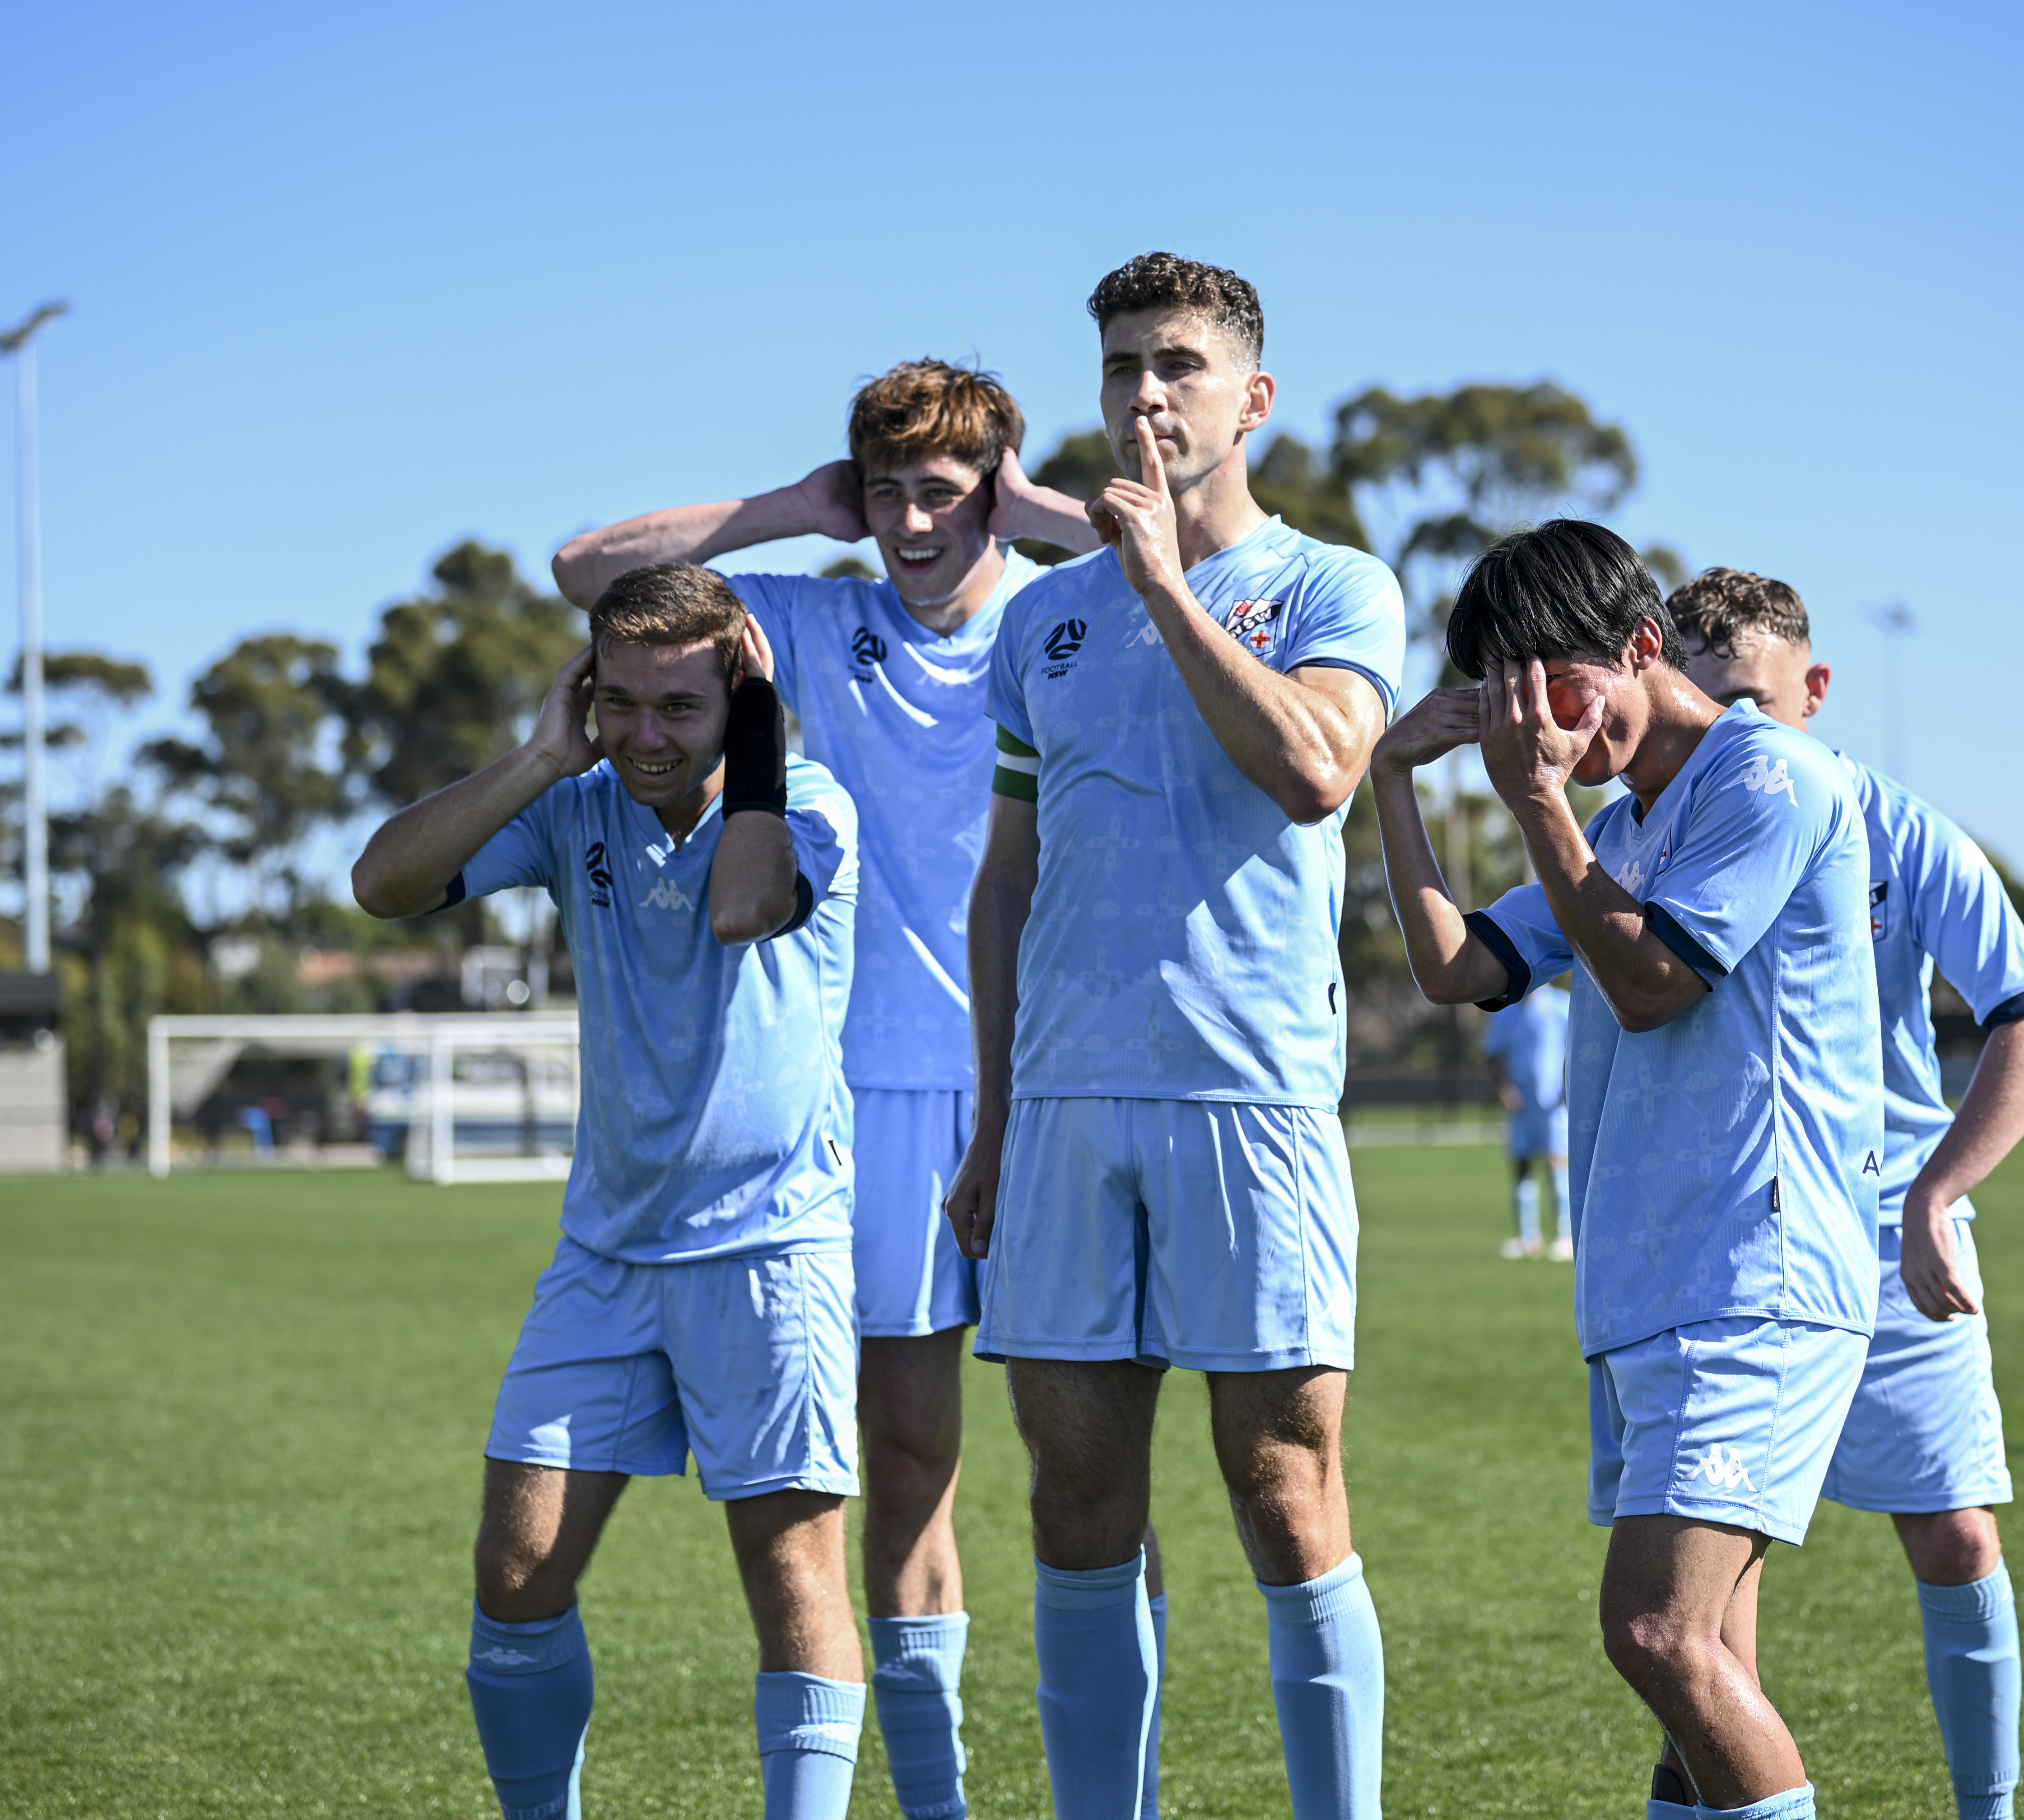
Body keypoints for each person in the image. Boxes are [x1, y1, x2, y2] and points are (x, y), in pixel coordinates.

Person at [551, 362, 1107, 1820]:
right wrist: (791, 511)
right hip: (869, 1101)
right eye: (885, 493)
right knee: (907, 1460)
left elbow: (1164, 563)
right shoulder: (806, 614)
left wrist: (1032, 508)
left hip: (1049, 1086)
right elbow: (584, 574)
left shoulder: (1059, 616)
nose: (910, 523)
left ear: (993, 490)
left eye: (942, 493)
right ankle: (938, 1806)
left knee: (1085, 1469)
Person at [945, 252, 1405, 1820]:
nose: (1145, 394)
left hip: (1248, 1100)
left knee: (1283, 1493)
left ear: (1250, 398)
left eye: (1179, 365)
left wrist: (1160, 587)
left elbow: (1314, 772)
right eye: (1123, 367)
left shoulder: (1334, 587)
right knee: (1073, 1505)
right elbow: (1002, 888)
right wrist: (993, 1123)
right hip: (1065, 1113)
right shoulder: (1038, 627)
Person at [1370, 521, 1881, 1820]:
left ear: (1646, 648)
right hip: (1654, 1284)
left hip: (1755, 1275)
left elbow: (1653, 985)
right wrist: (1392, 778)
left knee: (1658, 1636)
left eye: (1562, 685)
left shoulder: (1769, 783)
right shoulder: (1623, 820)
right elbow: (1458, 970)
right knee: (1701, 1669)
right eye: (1507, 700)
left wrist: (1536, 800)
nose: (1537, 725)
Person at [351, 564, 867, 1820]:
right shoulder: (574, 803)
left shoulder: (809, 804)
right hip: (608, 1257)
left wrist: (753, 735)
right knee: (518, 1565)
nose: (643, 736)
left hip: (771, 1248)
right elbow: (383, 885)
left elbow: (746, 906)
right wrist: (537, 759)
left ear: (738, 700)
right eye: (619, 702)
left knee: (790, 1575)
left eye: (680, 708)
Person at [1672, 568, 2024, 1820]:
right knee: (1710, 1598)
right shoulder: (1663, 826)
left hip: (1886, 1232)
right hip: (1735, 1247)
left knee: (1954, 1534)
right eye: (1701, 701)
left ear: (1816, 691)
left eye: (1749, 701)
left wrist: (1935, 1195)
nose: (1725, 730)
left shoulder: (1896, 825)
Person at [1482, 980, 1573, 1260]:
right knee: (1522, 1166)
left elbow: (1577, 1048)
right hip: (1520, 1105)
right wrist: (1504, 1090)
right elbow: (1493, 1055)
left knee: (1557, 1164)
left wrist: (1568, 1090)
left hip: (1553, 1102)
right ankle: (1528, 1237)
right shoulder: (1505, 1011)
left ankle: (1565, 1236)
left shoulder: (1562, 1004)